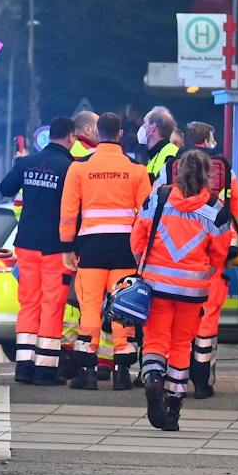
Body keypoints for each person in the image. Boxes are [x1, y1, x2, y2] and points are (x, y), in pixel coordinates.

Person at [131, 149, 234, 431]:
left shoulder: (159, 197)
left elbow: (138, 236)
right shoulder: (216, 209)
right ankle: (173, 406)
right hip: (193, 290)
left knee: (155, 340)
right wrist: (205, 273)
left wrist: (145, 263)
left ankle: (152, 378)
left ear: (178, 171)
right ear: (208, 175)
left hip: (156, 284)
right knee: (181, 345)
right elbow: (220, 253)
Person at [58, 111, 153, 390]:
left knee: (89, 308)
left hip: (91, 247)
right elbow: (146, 216)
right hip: (125, 248)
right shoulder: (137, 170)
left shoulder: (79, 168)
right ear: (121, 135)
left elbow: (68, 212)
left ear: (98, 134)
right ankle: (121, 374)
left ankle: (86, 372)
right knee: (124, 308)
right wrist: (142, 251)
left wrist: (67, 246)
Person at [0, 115, 76, 385]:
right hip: (57, 247)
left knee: (29, 303)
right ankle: (45, 369)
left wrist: (18, 166)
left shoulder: (28, 163)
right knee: (52, 305)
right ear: (71, 137)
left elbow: (5, 188)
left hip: (27, 244)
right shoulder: (70, 168)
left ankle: (23, 366)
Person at [183, 122, 238, 400]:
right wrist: (236, 248)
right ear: (208, 141)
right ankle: (203, 379)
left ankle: (177, 377)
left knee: (179, 321)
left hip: (177, 257)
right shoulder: (225, 171)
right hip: (214, 257)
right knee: (207, 321)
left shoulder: (173, 167)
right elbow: (235, 215)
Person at [136, 107, 178, 184]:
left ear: (153, 127)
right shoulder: (148, 153)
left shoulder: (171, 155)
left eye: (144, 123)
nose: (142, 127)